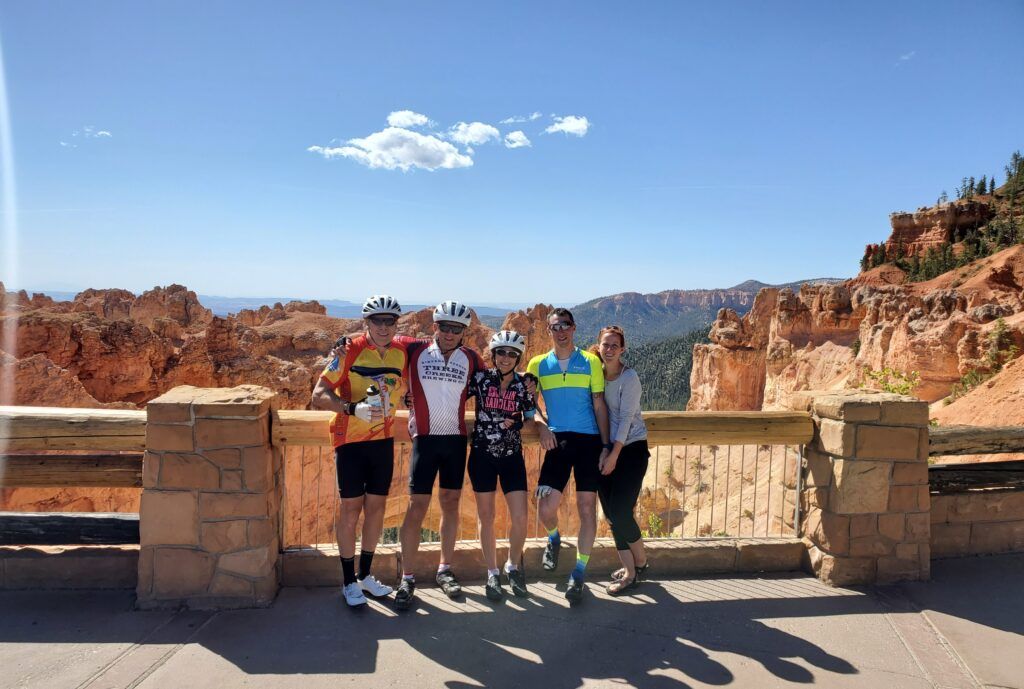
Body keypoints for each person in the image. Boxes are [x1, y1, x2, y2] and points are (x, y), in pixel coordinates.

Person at [310, 294, 407, 607]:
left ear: (396, 324)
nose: (383, 326)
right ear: (366, 322)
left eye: (389, 320)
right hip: (350, 441)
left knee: (376, 509)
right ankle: (348, 581)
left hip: (382, 441)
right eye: (376, 320)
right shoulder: (349, 350)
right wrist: (352, 409)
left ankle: (365, 575)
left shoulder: (401, 352)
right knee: (351, 510)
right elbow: (319, 394)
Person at [393, 300, 486, 611]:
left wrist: (527, 384)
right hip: (425, 440)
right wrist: (345, 346)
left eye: (456, 328)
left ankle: (445, 569)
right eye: (444, 326)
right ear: (435, 326)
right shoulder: (414, 349)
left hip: (456, 440)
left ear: (464, 332)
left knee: (450, 504)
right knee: (416, 506)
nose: (449, 333)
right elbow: (377, 338)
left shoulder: (471, 358)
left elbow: (494, 383)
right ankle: (407, 576)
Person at [526, 308, 611, 604]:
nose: (560, 331)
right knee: (545, 507)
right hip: (557, 440)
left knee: (587, 510)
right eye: (554, 327)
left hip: (588, 441)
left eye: (565, 325)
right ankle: (554, 538)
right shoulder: (537, 364)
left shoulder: (590, 362)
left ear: (574, 329)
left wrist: (605, 445)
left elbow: (599, 405)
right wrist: (541, 425)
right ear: (548, 331)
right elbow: (527, 403)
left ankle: (578, 572)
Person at [467, 330, 536, 601]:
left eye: (511, 354)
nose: (506, 358)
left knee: (520, 516)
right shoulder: (480, 379)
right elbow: (451, 395)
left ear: (518, 357)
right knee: (487, 517)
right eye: (501, 353)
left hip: (511, 457)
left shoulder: (524, 385)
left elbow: (530, 418)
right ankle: (492, 573)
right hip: (482, 456)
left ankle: (513, 566)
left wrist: (518, 422)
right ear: (493, 355)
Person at [591, 325, 650, 594]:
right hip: (604, 448)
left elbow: (626, 419)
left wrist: (614, 454)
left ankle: (639, 562)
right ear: (599, 346)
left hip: (631, 449)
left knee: (622, 511)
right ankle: (631, 570)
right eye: (606, 344)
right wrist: (605, 449)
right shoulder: (596, 374)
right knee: (612, 514)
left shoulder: (630, 377)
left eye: (615, 345)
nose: (610, 349)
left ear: (623, 348)